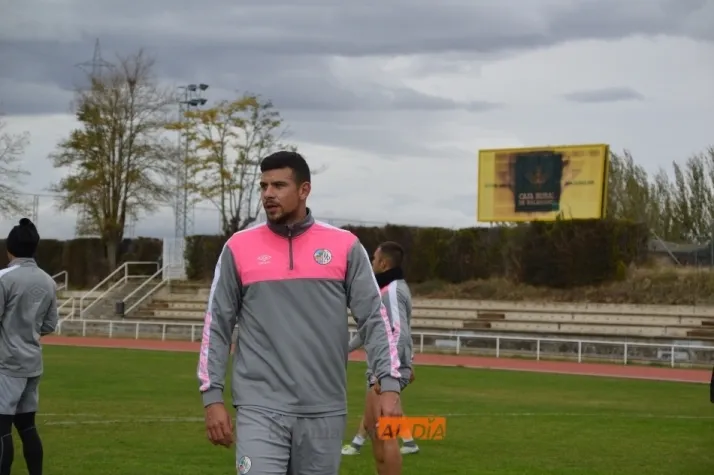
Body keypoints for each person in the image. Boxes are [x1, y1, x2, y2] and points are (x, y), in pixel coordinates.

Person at [197, 151, 403, 475]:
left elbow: (374, 320)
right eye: (263, 186)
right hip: (259, 406)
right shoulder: (238, 247)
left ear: (304, 189)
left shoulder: (345, 246)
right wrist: (212, 398)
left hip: (325, 409)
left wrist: (389, 385)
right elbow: (217, 326)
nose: (268, 194)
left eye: (279, 185)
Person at [341, 241, 419, 470]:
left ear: (384, 263)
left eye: (374, 259)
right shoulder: (387, 289)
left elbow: (399, 332)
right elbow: (372, 330)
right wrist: (342, 350)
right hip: (382, 369)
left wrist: (388, 374)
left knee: (386, 435)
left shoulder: (392, 291)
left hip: (385, 371)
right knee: (375, 431)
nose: (372, 262)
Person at [0, 218, 58, 475]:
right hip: (32, 362)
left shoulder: (4, 278)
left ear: (9, 249)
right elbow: (50, 325)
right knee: (27, 427)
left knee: (2, 430)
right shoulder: (48, 281)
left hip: (5, 364)